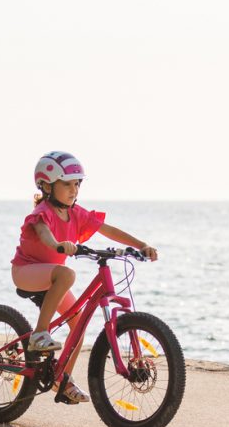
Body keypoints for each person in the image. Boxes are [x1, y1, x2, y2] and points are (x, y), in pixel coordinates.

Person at [10, 151, 158, 403]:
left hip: (53, 279)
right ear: (46, 185)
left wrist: (141, 244)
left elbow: (108, 230)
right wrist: (59, 244)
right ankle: (39, 333)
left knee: (78, 326)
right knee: (67, 273)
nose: (73, 189)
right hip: (27, 272)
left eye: (77, 183)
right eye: (66, 184)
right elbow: (45, 235)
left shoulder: (76, 213)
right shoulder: (42, 213)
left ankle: (63, 379)